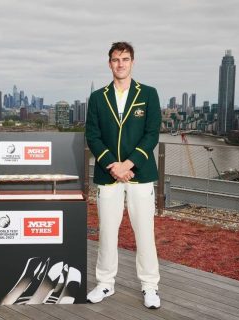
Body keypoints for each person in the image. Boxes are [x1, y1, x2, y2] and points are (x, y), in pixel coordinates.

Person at [85, 42, 162, 309]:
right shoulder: (97, 97)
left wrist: (129, 164)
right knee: (107, 232)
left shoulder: (149, 94)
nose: (120, 64)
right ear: (109, 64)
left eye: (125, 59)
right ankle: (105, 282)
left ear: (133, 62)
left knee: (145, 233)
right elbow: (92, 135)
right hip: (109, 176)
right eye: (116, 60)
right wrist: (113, 166)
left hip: (140, 175)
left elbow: (152, 134)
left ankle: (150, 286)